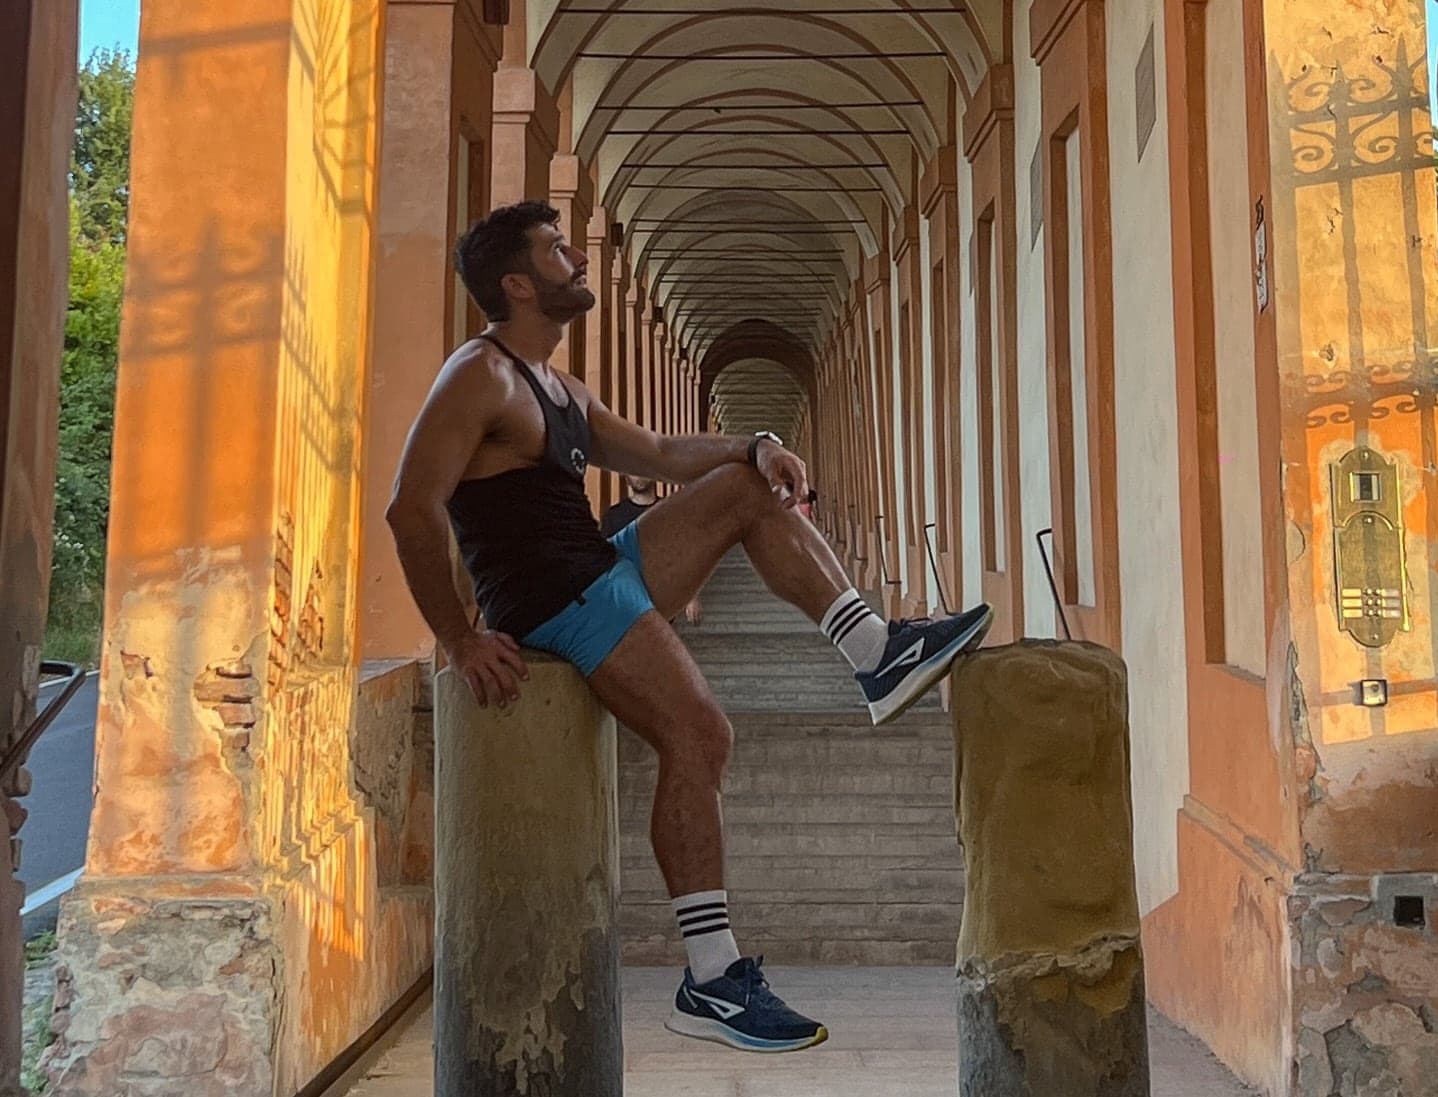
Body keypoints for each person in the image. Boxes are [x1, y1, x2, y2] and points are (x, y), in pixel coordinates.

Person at [386, 201, 993, 1054]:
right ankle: (711, 978)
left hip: (603, 565)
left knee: (748, 487)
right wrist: (456, 638)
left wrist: (756, 442)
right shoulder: (476, 375)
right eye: (558, 251)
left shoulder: (555, 385)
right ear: (519, 283)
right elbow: (410, 507)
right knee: (701, 732)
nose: (575, 260)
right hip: (558, 597)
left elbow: (662, 454)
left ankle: (875, 653)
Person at [601, 475, 701, 623]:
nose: (637, 475)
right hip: (624, 601)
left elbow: (683, 554)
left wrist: (692, 596)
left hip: (661, 600)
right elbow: (602, 560)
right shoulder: (613, 517)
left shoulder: (669, 512)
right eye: (632, 470)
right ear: (626, 478)